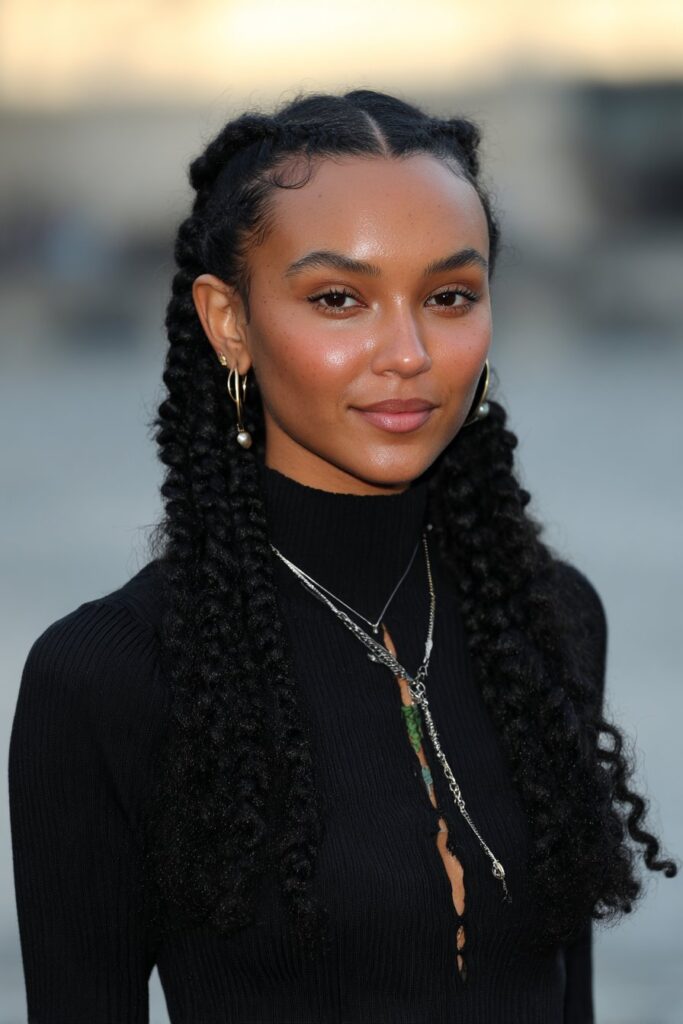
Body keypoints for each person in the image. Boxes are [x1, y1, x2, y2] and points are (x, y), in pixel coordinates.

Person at [8, 88, 677, 1024]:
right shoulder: (108, 677)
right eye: (338, 299)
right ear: (228, 321)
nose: (407, 353)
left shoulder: (550, 616)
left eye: (449, 297)